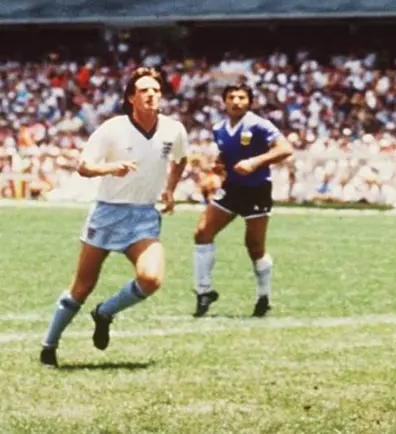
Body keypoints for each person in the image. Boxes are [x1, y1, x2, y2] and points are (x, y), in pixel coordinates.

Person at [40, 68, 188, 367]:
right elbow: (84, 166)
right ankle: (49, 345)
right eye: (143, 90)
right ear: (131, 97)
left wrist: (170, 189)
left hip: (144, 215)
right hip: (108, 212)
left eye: (155, 90)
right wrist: (110, 168)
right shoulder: (113, 128)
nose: (151, 95)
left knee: (151, 278)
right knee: (82, 286)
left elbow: (181, 158)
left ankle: (105, 312)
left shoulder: (173, 130)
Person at [191, 84, 293, 318]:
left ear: (249, 102)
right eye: (231, 97)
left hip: (257, 190)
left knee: (254, 247)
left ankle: (264, 297)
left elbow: (285, 149)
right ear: (224, 102)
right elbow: (225, 155)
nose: (236, 101)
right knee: (202, 233)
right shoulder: (219, 129)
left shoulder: (259, 125)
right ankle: (204, 291)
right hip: (232, 189)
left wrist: (254, 162)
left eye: (242, 97)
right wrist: (218, 166)